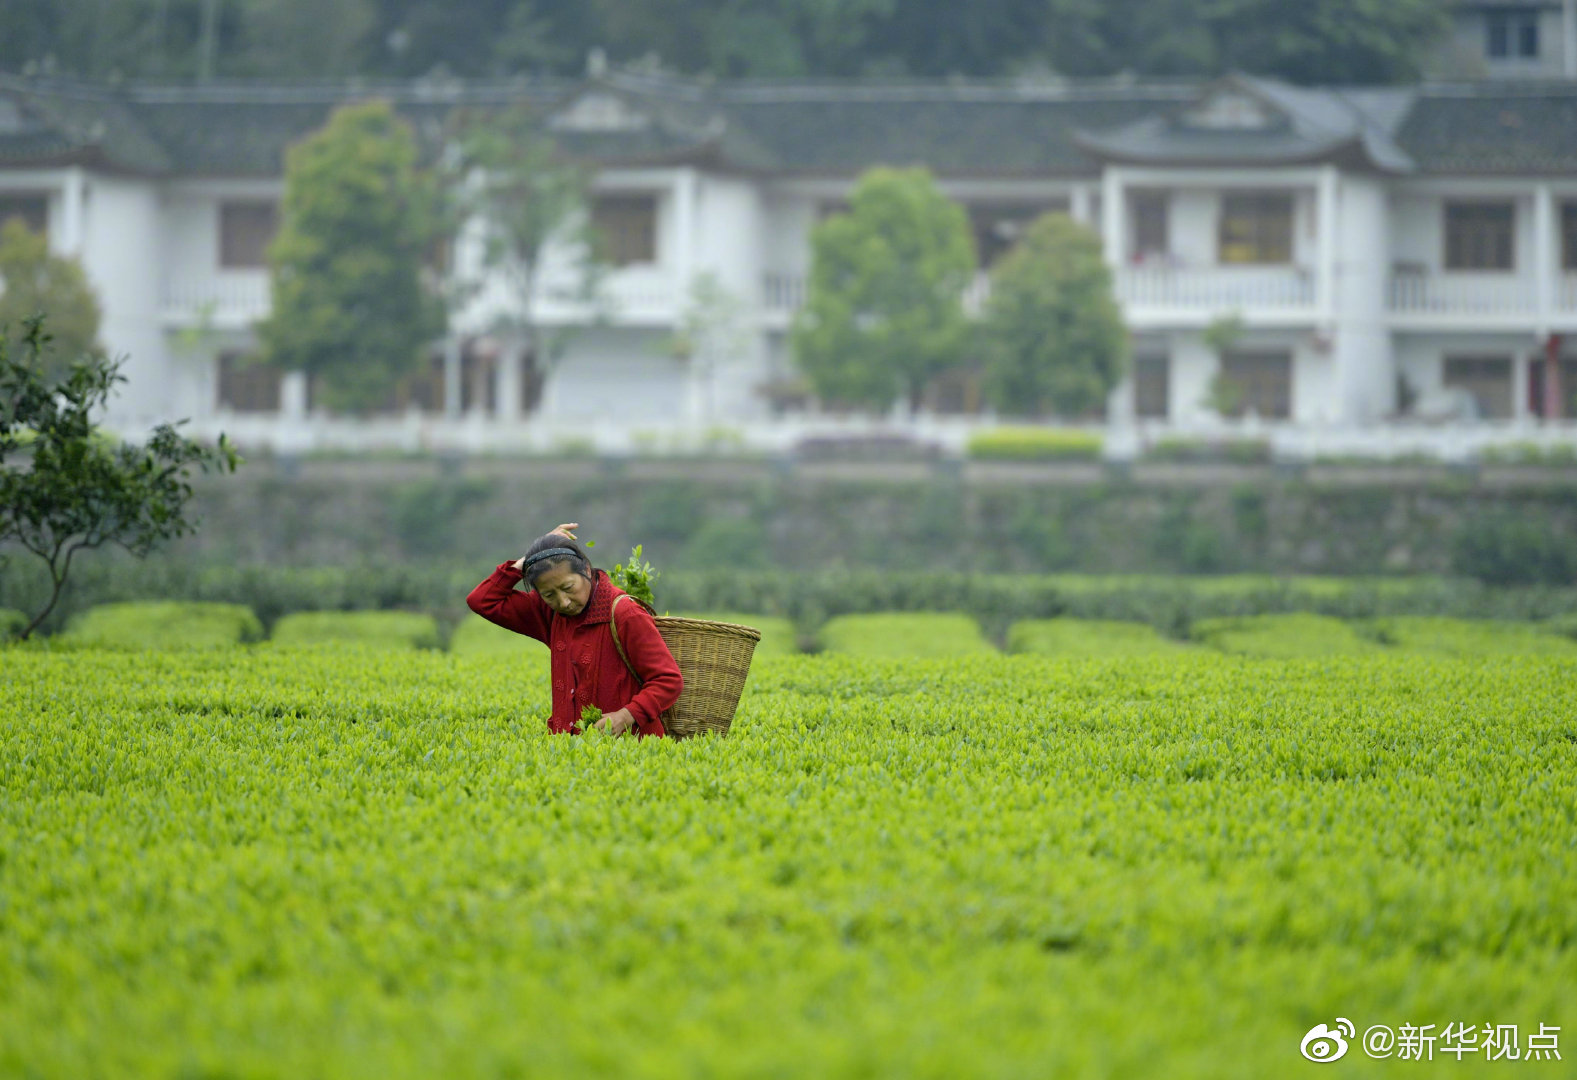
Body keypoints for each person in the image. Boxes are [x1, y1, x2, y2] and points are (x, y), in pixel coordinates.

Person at [466, 522, 682, 738]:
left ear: (586, 570)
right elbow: (482, 600)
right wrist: (530, 560)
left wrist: (625, 716)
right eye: (549, 595)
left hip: (632, 751)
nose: (564, 602)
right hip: (571, 754)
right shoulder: (548, 614)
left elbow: (668, 680)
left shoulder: (624, 613)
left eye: (569, 588)